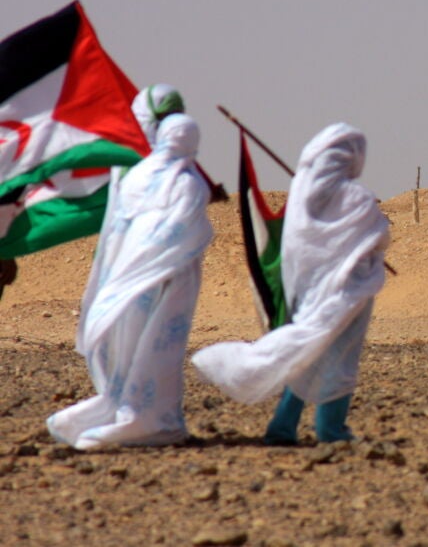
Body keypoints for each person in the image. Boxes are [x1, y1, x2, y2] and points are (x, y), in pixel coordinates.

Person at [192, 123, 390, 445]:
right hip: (349, 291)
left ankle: (282, 427)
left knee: (304, 357)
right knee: (340, 358)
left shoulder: (299, 192)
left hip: (307, 291)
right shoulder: (355, 197)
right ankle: (331, 429)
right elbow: (379, 236)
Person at [46, 114, 213, 450]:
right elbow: (187, 232)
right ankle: (149, 420)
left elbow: (118, 228)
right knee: (159, 353)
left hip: (127, 275)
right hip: (168, 279)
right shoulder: (189, 183)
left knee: (131, 349)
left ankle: (145, 416)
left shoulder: (138, 174)